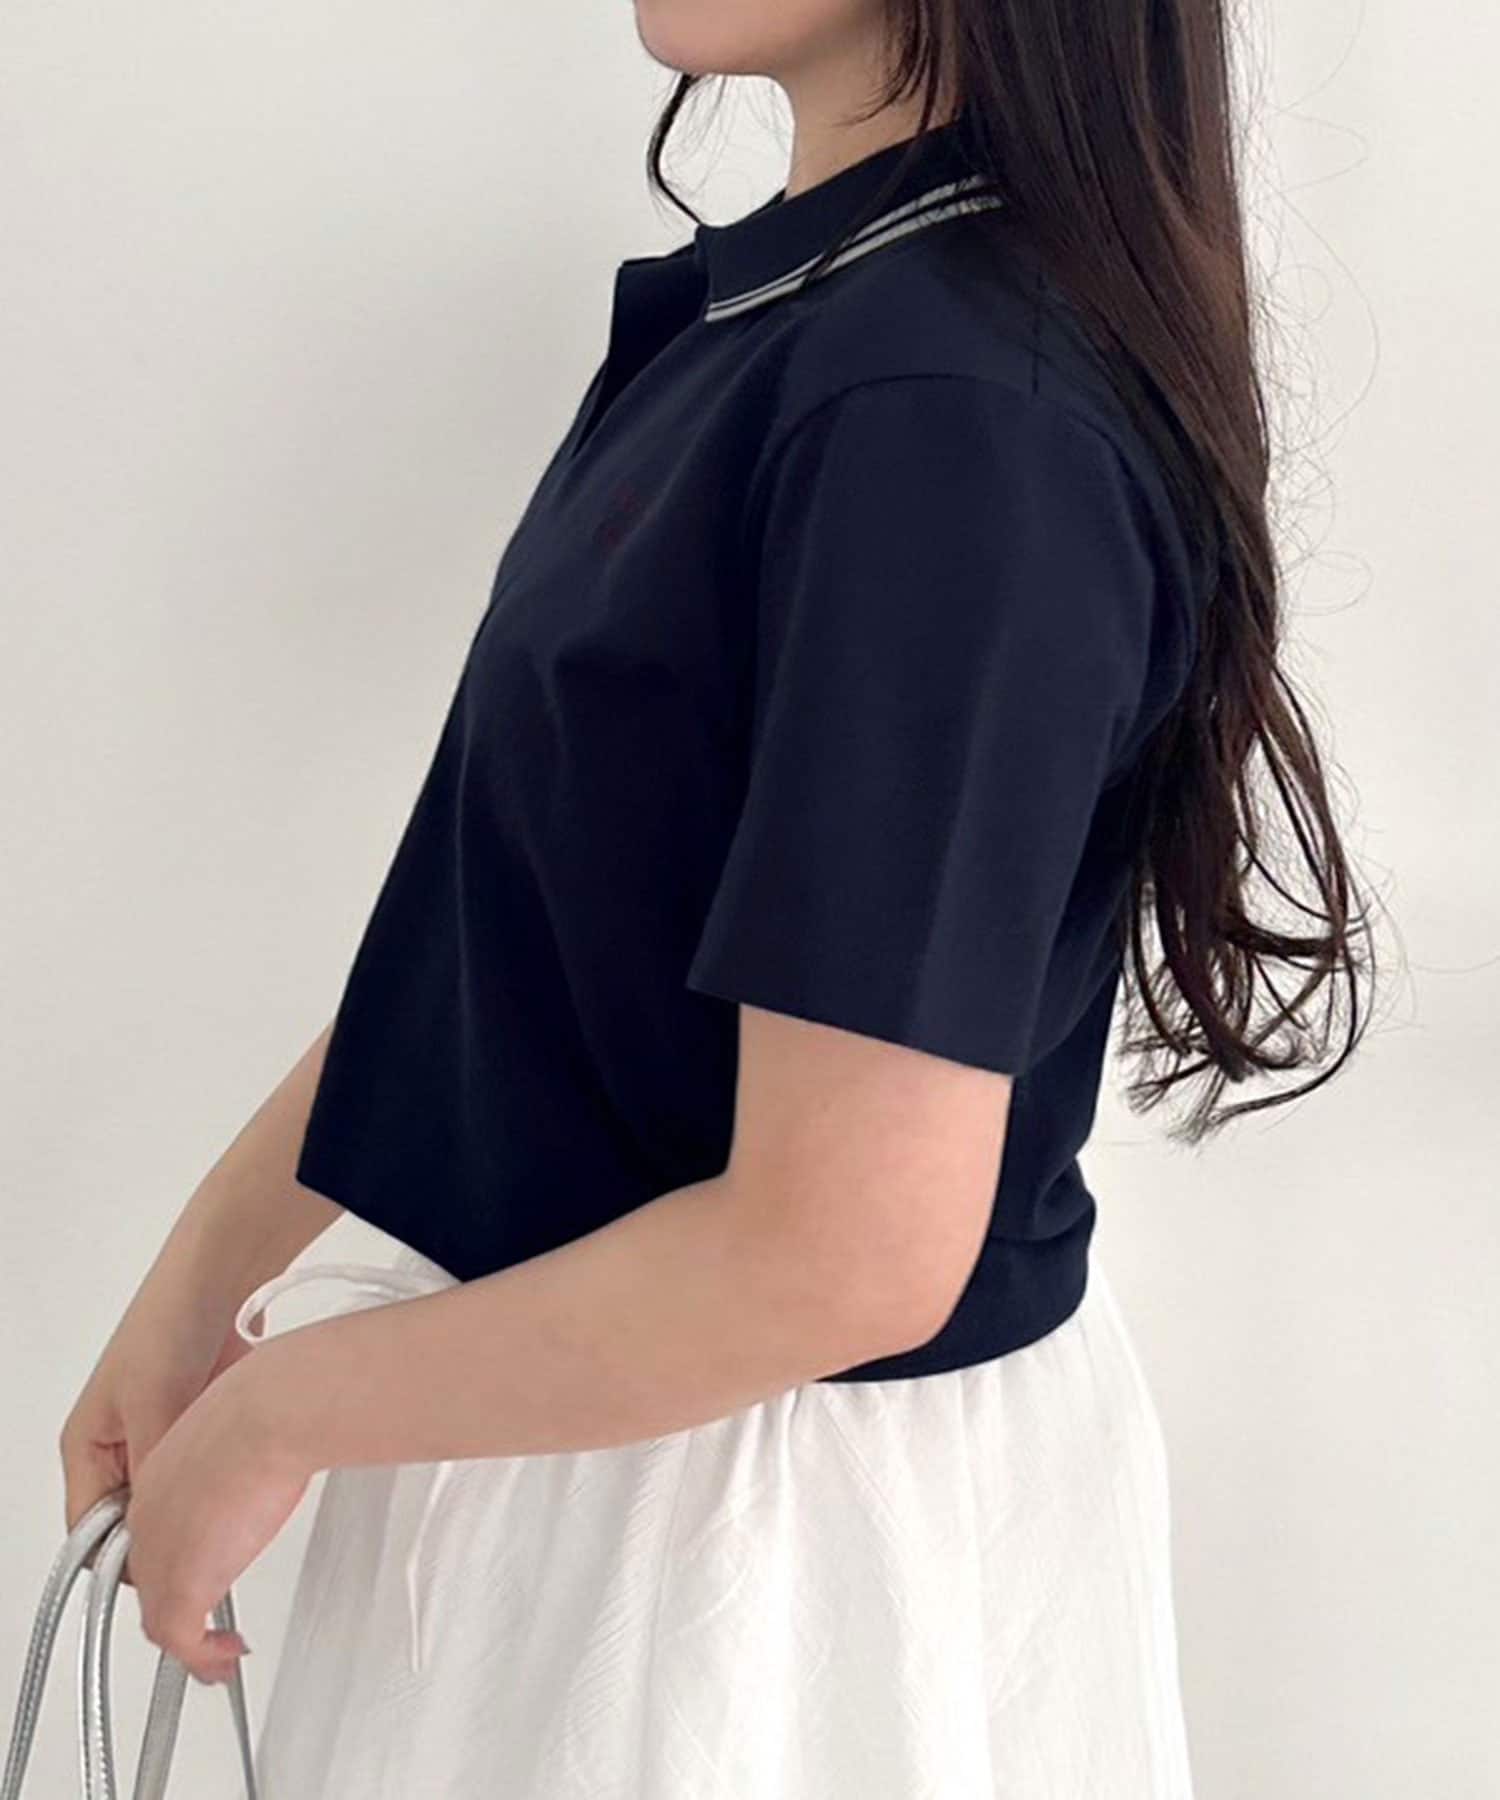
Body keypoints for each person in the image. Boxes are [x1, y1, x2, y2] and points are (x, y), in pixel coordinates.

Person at [57, 3, 1376, 1795]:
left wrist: (284, 1410)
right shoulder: (803, 319)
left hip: (747, 1563)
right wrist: (207, 1284)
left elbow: (842, 1254)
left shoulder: (944, 412)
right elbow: (524, 942)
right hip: (594, 1461)